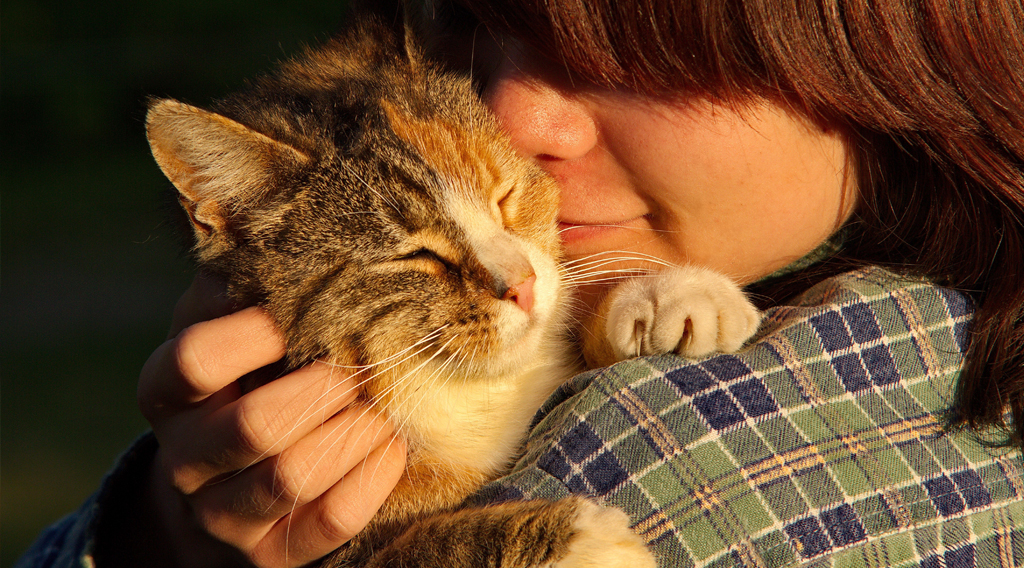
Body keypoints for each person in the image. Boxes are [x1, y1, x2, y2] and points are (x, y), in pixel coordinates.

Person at [17, 0, 1024, 566]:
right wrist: (159, 525)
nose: (509, 116)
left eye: (626, 51)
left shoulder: (665, 472)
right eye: (472, 29)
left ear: (884, 42)